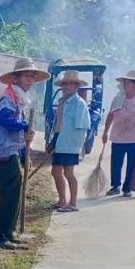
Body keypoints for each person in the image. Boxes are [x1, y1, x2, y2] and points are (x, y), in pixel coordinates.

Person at [0, 58, 47, 248]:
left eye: (33, 77)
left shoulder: (17, 97)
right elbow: (5, 119)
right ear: (16, 77)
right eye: (27, 76)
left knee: (12, 191)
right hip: (3, 151)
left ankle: (7, 231)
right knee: (10, 192)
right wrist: (24, 125)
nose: (30, 80)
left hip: (10, 150)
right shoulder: (8, 97)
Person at [102, 70, 135, 197]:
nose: (125, 84)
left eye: (128, 82)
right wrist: (105, 131)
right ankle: (115, 186)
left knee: (132, 164)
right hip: (118, 137)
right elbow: (110, 115)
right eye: (124, 82)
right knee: (116, 163)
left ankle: (127, 188)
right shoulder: (118, 99)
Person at [48, 71, 91, 212]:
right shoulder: (62, 102)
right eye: (64, 84)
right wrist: (53, 141)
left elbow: (82, 128)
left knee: (68, 173)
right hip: (60, 141)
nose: (66, 87)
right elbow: (58, 124)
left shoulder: (80, 104)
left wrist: (76, 146)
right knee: (55, 171)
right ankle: (62, 201)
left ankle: (72, 203)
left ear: (76, 86)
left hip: (70, 143)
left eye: (70, 84)